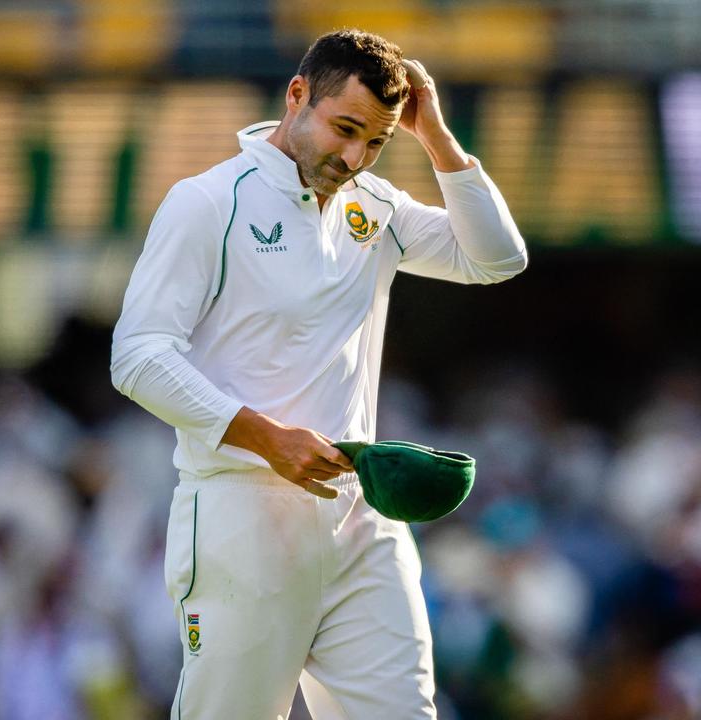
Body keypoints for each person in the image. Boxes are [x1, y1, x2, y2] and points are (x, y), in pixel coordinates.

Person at [109, 29, 528, 719]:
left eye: (376, 141)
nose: (355, 157)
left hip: (361, 520)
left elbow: (496, 258)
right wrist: (267, 438)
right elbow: (138, 355)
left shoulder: (375, 207)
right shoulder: (211, 202)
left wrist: (436, 136)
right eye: (345, 129)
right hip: (240, 516)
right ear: (296, 94)